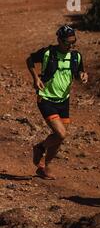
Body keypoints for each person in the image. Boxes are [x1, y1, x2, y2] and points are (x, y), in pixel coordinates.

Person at [26, 25, 88, 180]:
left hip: (64, 101)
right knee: (61, 134)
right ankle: (39, 148)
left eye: (73, 42)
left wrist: (83, 76)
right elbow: (30, 60)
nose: (71, 46)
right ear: (59, 40)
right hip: (46, 98)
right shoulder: (48, 53)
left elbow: (80, 71)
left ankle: (44, 167)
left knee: (59, 138)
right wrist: (36, 78)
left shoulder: (76, 56)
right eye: (68, 43)